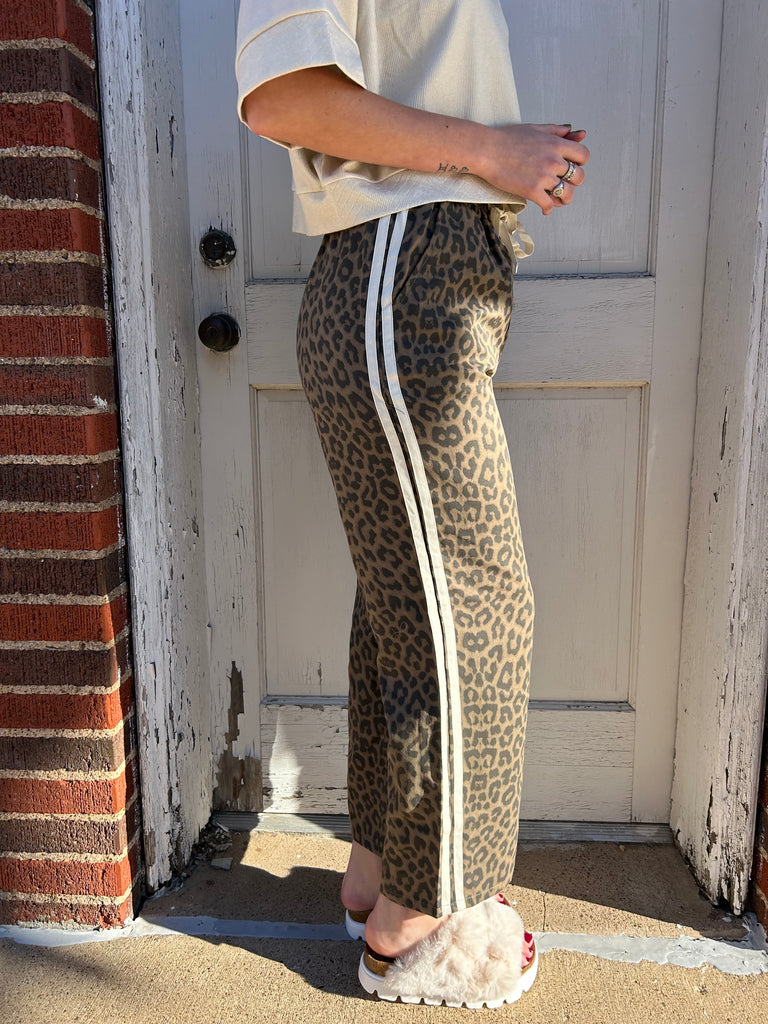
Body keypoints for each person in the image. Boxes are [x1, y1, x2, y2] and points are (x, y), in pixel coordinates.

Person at [235, 0, 588, 1008]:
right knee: (474, 601)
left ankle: (380, 874)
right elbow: (281, 93)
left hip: (414, 266)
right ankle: (424, 923)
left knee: (412, 599)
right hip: (405, 268)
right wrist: (492, 150)